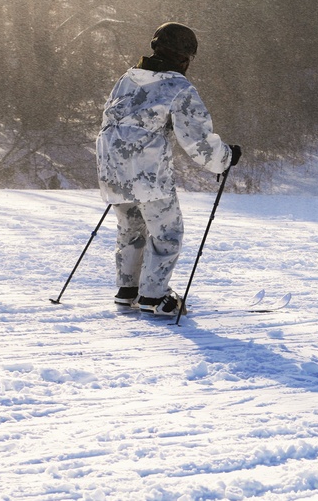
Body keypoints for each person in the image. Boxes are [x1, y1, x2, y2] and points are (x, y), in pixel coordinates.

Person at [96, 22, 241, 315]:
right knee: (167, 233)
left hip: (112, 169)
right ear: (184, 56)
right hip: (149, 173)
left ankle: (128, 290)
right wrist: (225, 157)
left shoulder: (127, 78)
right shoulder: (178, 86)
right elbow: (197, 139)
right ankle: (154, 296)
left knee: (130, 229)